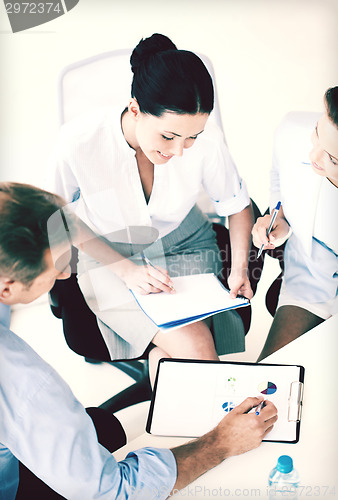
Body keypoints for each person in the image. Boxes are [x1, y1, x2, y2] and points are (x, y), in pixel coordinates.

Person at [0, 182, 278, 499]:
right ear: (7, 288)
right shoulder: (25, 386)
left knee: (106, 425)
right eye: (56, 268)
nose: (64, 276)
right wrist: (220, 443)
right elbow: (116, 491)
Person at [46, 33, 256, 381]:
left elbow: (236, 205)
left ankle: (189, 407)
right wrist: (126, 270)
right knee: (197, 349)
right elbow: (56, 217)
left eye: (192, 137)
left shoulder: (208, 140)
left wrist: (238, 270)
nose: (180, 151)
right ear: (134, 110)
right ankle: (223, 424)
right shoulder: (78, 141)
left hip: (186, 243)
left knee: (178, 353)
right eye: (168, 137)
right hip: (108, 254)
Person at [252, 87, 338, 361]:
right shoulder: (292, 130)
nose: (314, 157)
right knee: (268, 379)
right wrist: (282, 221)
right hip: (310, 277)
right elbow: (279, 176)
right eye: (317, 132)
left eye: (333, 158)